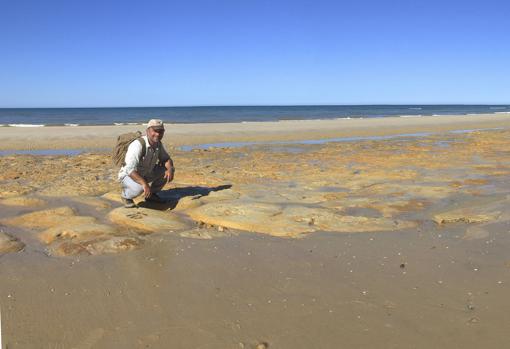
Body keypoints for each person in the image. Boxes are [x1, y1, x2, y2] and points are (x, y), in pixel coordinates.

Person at [118, 119, 175, 208]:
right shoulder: (138, 145)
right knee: (140, 188)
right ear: (147, 131)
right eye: (155, 131)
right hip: (128, 175)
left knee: (167, 170)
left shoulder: (158, 144)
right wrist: (144, 184)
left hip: (146, 173)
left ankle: (151, 195)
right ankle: (125, 196)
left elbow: (166, 159)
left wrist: (170, 169)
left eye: (161, 131)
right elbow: (129, 170)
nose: (158, 134)